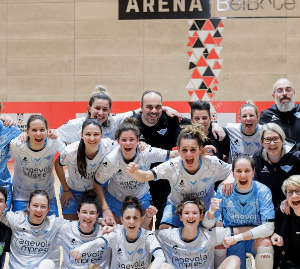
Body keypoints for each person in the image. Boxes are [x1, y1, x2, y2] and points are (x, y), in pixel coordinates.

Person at [131, 90, 226, 227]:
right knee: (151, 224)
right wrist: (134, 172)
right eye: (149, 106)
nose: (154, 110)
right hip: (150, 181)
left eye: (158, 106)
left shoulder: (171, 120)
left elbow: (197, 124)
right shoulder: (132, 123)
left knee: (216, 228)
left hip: (167, 183)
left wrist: (214, 124)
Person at [126, 124, 232, 228]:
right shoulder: (172, 165)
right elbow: (146, 176)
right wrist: (135, 172)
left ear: (200, 149)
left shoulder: (212, 163)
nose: (189, 154)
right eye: (184, 150)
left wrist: (230, 178)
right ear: (178, 150)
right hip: (177, 206)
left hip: (207, 207)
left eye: (193, 150)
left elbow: (235, 170)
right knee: (164, 230)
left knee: (219, 229)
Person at [205, 155, 275, 269]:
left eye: (247, 171)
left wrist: (236, 234)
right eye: (238, 171)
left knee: (266, 242)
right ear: (233, 173)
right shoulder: (223, 190)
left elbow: (269, 228)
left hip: (248, 238)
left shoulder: (263, 191)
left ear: (253, 172)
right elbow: (218, 226)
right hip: (233, 240)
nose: (243, 175)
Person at [95, 118, 177, 224]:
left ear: (138, 140)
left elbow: (173, 154)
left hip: (141, 198)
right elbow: (97, 183)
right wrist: (105, 209)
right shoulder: (111, 160)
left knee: (144, 229)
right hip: (116, 200)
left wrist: (194, 152)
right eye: (124, 140)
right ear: (118, 141)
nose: (128, 143)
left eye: (131, 139)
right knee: (114, 230)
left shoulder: (146, 152)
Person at [55, 118, 117, 223]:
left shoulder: (109, 145)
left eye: (96, 134)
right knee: (72, 226)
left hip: (96, 191)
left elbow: (127, 145)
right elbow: (57, 164)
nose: (92, 138)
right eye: (88, 134)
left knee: (99, 224)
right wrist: (66, 190)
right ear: (81, 135)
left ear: (101, 135)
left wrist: (142, 145)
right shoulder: (71, 151)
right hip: (72, 191)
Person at [253, 123, 300, 209]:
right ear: (261, 142)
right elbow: (253, 185)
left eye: (276, 139)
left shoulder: (297, 156)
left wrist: (293, 199)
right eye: (267, 139)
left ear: (282, 140)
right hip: (267, 206)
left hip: (296, 204)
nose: (272, 143)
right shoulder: (257, 158)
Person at [9, 115, 64, 216]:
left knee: (54, 225)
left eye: (42, 130)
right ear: (27, 131)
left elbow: (69, 155)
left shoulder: (54, 142)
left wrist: (57, 135)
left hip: (47, 196)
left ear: (47, 131)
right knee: (19, 225)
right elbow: (4, 159)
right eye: (34, 130)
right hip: (21, 196)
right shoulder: (17, 145)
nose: (38, 133)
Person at [259, 78, 300, 143]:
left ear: (293, 93)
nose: (284, 93)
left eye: (288, 90)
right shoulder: (266, 115)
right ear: (274, 95)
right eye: (280, 91)